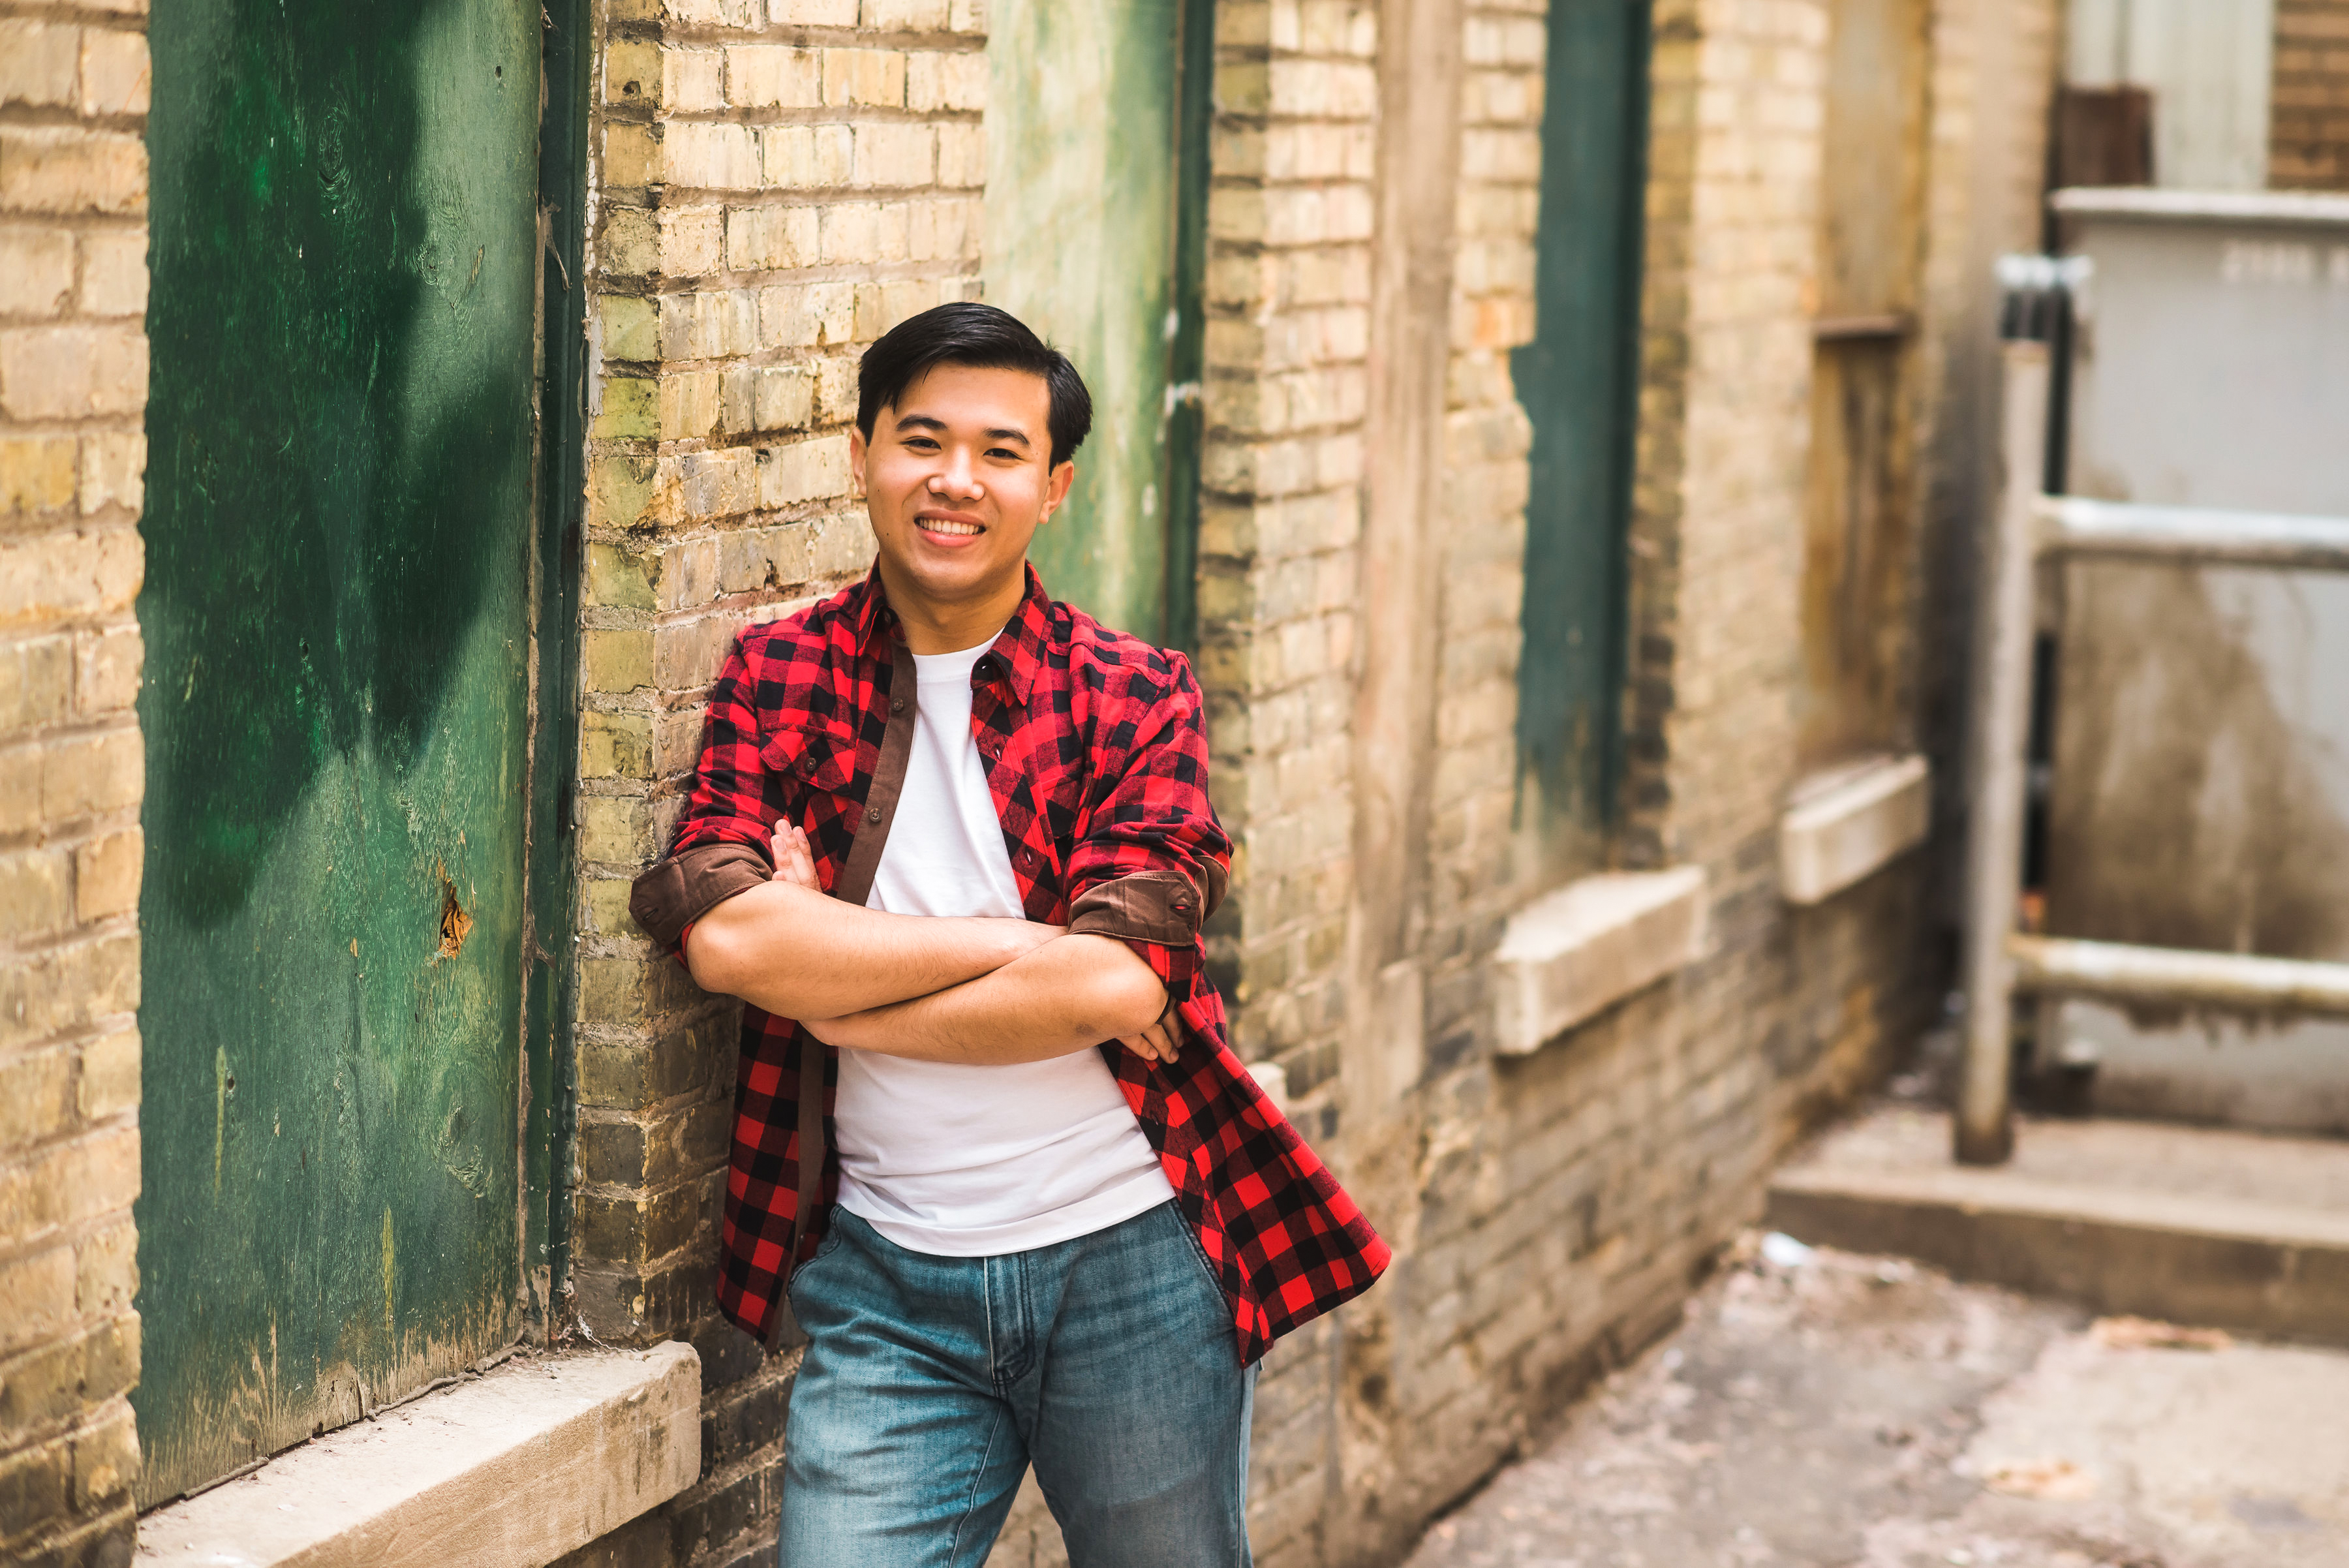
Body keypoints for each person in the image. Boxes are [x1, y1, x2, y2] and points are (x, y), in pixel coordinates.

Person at [630, 301, 1387, 1567]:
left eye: (1000, 451)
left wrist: (838, 977)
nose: (954, 480)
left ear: (1054, 486)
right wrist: (1027, 949)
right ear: (863, 449)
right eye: (921, 438)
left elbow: (1110, 978)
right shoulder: (780, 676)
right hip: (887, 1285)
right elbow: (729, 941)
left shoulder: (1134, 691)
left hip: (1131, 1265)